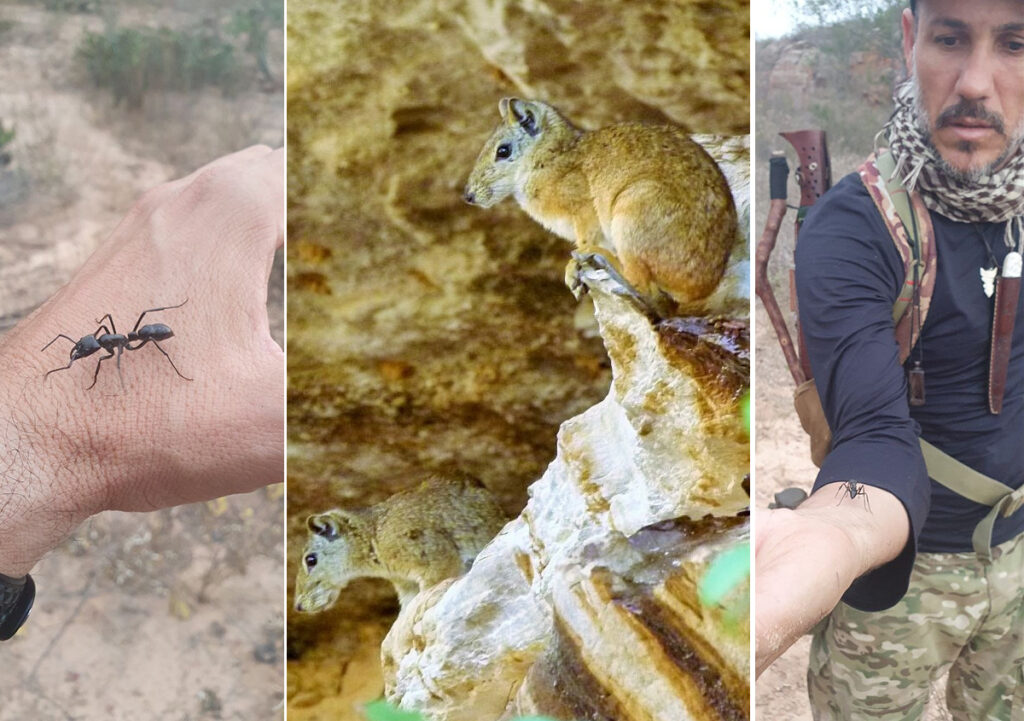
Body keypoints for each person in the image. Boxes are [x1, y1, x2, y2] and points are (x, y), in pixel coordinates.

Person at [756, 0, 1024, 719]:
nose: (976, 81)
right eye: (948, 38)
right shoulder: (857, 226)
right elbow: (874, 432)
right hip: (901, 581)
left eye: (1014, 43)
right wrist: (835, 533)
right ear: (910, 39)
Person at [0, 146, 284, 632]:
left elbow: (112, 346)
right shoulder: (104, 341)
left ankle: (171, 354)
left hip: (151, 331)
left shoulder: (118, 343)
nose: (88, 350)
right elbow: (93, 342)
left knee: (151, 346)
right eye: (89, 349)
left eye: (88, 349)